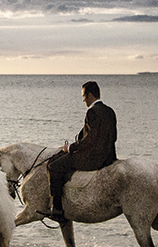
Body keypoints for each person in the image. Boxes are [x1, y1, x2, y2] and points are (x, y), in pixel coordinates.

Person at [45, 80, 115, 219]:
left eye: (83, 96)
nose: (83, 99)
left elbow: (90, 139)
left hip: (93, 158)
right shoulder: (109, 111)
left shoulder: (92, 112)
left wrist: (71, 147)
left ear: (89, 95)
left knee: (54, 166)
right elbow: (113, 137)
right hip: (109, 156)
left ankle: (57, 209)